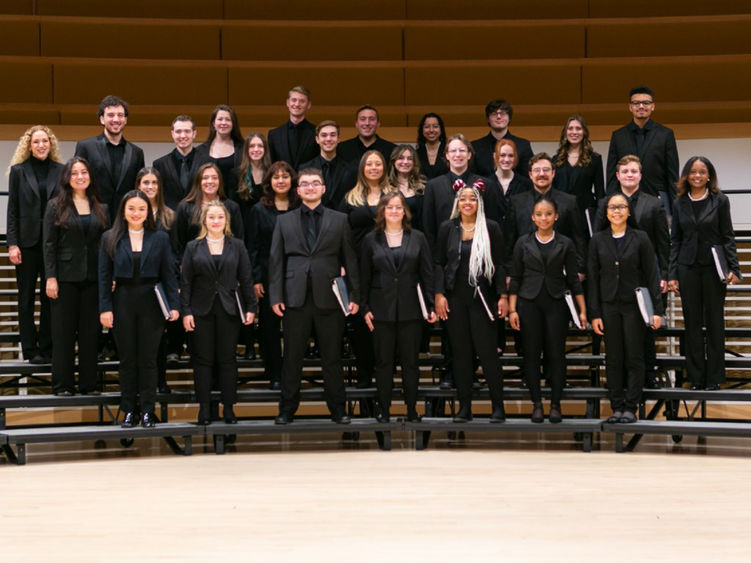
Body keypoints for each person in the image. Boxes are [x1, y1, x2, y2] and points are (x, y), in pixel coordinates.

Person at [269, 168, 360, 425]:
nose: (310, 187)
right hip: (294, 297)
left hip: (329, 297)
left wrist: (354, 295)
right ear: (297, 190)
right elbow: (276, 261)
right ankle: (287, 408)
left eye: (315, 183)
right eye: (305, 184)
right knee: (292, 358)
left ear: (323, 188)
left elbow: (349, 260)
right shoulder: (283, 221)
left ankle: (338, 409)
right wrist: (275, 295)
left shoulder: (340, 219)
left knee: (332, 357)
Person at [99, 190, 179, 428]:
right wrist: (105, 308)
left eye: (141, 209)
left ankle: (147, 410)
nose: (136, 213)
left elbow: (169, 275)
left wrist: (174, 306)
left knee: (148, 359)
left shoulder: (160, 238)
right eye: (131, 208)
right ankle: (128, 411)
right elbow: (103, 277)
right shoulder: (109, 238)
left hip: (151, 303)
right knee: (127, 360)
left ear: (148, 212)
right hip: (122, 301)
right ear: (123, 211)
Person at [594, 155, 669, 389]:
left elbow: (663, 242)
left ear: (640, 175)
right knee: (619, 337)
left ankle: (648, 373)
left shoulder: (654, 203)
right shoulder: (605, 204)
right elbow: (599, 240)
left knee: (646, 329)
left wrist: (664, 274)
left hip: (647, 275)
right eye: (625, 171)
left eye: (633, 171)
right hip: (616, 280)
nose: (629, 175)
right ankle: (624, 379)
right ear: (617, 175)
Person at [508, 197, 586, 423]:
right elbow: (515, 278)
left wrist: (582, 310)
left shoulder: (566, 243)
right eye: (539, 214)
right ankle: (537, 403)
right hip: (528, 303)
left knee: (556, 354)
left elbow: (573, 279)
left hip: (556, 303)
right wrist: (512, 310)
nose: (544, 218)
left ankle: (555, 403)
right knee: (531, 354)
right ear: (533, 217)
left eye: (548, 214)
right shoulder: (522, 242)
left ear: (556, 216)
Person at [434, 185, 508, 423]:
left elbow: (499, 265)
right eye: (463, 198)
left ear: (479, 203)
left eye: (472, 199)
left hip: (482, 298)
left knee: (488, 355)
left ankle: (498, 407)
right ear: (457, 202)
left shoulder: (491, 228)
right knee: (461, 355)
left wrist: (503, 296)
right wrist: (438, 294)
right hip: (455, 299)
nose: (467, 202)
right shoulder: (448, 228)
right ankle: (464, 407)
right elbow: (439, 264)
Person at [361, 192, 436, 422]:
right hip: (380, 310)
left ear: (405, 211)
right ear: (382, 211)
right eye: (389, 207)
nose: (394, 211)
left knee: (410, 364)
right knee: (383, 364)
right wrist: (364, 308)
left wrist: (431, 305)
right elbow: (363, 277)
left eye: (398, 207)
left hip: (411, 310)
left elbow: (427, 274)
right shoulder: (370, 240)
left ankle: (412, 411)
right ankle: (384, 411)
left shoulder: (418, 238)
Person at [589, 193, 663, 423]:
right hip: (608, 306)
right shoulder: (597, 240)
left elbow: (652, 275)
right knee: (613, 358)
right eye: (612, 207)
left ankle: (631, 406)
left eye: (622, 207)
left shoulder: (641, 238)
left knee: (634, 356)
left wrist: (657, 311)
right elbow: (592, 280)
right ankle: (616, 406)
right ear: (606, 212)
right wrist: (595, 314)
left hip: (634, 306)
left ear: (629, 212)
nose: (617, 211)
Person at [181, 201, 257, 424]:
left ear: (226, 221)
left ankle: (230, 408)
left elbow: (246, 278)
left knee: (227, 360)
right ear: (204, 220)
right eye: (212, 217)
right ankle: (203, 408)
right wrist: (186, 311)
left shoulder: (237, 246)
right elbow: (185, 282)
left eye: (220, 217)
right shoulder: (192, 247)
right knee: (202, 361)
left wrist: (251, 307)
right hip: (200, 310)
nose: (216, 221)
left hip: (229, 309)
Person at [668, 156, 740, 390]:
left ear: (709, 175)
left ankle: (715, 377)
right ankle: (696, 377)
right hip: (687, 268)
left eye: (702, 172)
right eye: (693, 172)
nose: (697, 176)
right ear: (686, 176)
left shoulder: (720, 200)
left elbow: (727, 235)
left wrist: (734, 268)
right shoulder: (679, 203)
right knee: (692, 324)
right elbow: (675, 240)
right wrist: (672, 274)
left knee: (715, 323)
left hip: (713, 269)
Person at [43, 157, 109, 395]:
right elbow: (48, 245)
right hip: (64, 278)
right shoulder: (55, 206)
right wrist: (51, 277)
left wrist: (107, 276)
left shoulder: (101, 206)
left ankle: (89, 385)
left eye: (84, 172)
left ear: (90, 176)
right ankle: (63, 384)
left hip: (92, 279)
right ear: (67, 178)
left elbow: (106, 245)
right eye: (74, 173)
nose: (80, 177)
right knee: (63, 334)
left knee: (90, 334)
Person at [6, 125, 63, 363]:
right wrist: (12, 244)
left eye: (45, 141)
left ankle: (47, 347)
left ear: (51, 145)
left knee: (50, 297)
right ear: (29, 145)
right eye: (36, 141)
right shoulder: (19, 171)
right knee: (26, 297)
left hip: (52, 244)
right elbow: (12, 210)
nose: (41, 145)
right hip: (26, 244)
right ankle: (30, 349)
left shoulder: (61, 171)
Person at [340, 150, 392, 387]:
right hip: (357, 268)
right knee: (360, 321)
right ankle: (364, 375)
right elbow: (340, 234)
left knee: (385, 322)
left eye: (378, 164)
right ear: (362, 167)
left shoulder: (393, 196)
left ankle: (385, 374)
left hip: (388, 266)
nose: (373, 167)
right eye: (369, 163)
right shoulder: (350, 198)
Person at [247, 161, 300, 390]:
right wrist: (256, 278)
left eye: (285, 177)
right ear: (268, 182)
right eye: (276, 177)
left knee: (294, 328)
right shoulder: (259, 210)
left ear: (292, 181)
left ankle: (291, 373)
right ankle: (274, 373)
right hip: (268, 276)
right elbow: (254, 247)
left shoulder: (300, 208)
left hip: (297, 275)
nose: (281, 181)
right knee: (269, 329)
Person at [504, 153, 587, 278]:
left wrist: (580, 269)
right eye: (537, 170)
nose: (541, 174)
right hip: (525, 273)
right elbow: (509, 240)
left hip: (560, 272)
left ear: (553, 174)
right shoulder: (517, 202)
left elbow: (579, 238)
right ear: (530, 175)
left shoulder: (569, 201)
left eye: (546, 170)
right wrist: (509, 273)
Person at [135, 167, 182, 387]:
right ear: (138, 186)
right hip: (137, 283)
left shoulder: (170, 215)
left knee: (159, 337)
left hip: (162, 283)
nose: (150, 187)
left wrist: (175, 283)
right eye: (146, 183)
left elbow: (175, 251)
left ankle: (160, 382)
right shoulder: (131, 213)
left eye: (154, 183)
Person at [606, 86, 679, 215]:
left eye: (646, 103)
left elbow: (672, 174)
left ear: (653, 106)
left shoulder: (665, 134)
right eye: (636, 103)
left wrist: (675, 208)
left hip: (658, 197)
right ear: (630, 107)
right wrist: (611, 203)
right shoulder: (618, 136)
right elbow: (612, 174)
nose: (641, 106)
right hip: (625, 199)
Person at [74, 95, 145, 220]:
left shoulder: (136, 152)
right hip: (94, 217)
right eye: (111, 115)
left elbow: (137, 189)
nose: (116, 119)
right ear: (102, 119)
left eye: (120, 115)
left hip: (125, 219)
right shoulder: (86, 147)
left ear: (126, 120)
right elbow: (76, 182)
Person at [234, 132, 271, 360]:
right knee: (245, 292)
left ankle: (264, 345)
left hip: (265, 239)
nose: (256, 149)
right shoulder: (236, 174)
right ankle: (248, 344)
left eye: (260, 146)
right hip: (243, 237)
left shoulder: (271, 174)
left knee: (263, 295)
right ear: (246, 149)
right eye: (252, 146)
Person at [173, 163, 244, 263]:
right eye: (205, 178)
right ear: (198, 181)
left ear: (220, 182)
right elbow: (178, 243)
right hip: (193, 266)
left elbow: (239, 240)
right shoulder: (184, 208)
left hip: (226, 265)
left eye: (214, 178)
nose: (210, 181)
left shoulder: (232, 207)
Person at [552, 114, 605, 230]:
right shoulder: (555, 160)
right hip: (561, 213)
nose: (574, 132)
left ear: (584, 132)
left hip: (585, 214)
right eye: (570, 128)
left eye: (578, 128)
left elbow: (600, 191)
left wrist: (599, 218)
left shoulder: (595, 159)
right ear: (565, 132)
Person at [152, 115, 211, 210]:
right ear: (172, 134)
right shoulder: (159, 164)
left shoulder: (207, 162)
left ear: (194, 133)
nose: (183, 136)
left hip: (199, 218)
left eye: (187, 131)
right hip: (170, 221)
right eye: (178, 131)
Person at [300, 120, 356, 209]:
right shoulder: (304, 169)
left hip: (342, 221)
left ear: (338, 139)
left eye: (333, 135)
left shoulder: (351, 170)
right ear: (317, 139)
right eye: (324, 135)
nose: (328, 139)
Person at [471, 99, 533, 178]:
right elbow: (472, 177)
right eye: (494, 113)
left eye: (503, 113)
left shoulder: (523, 145)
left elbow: (528, 177)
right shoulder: (475, 146)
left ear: (509, 118)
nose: (499, 117)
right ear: (488, 119)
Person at [483, 138, 532, 227]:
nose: (506, 159)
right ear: (495, 156)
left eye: (510, 156)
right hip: (492, 235)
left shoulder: (526, 185)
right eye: (502, 155)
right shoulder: (485, 184)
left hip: (518, 237)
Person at [267, 86, 318, 169]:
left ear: (308, 105)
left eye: (302, 101)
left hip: (308, 181)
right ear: (287, 103)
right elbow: (272, 166)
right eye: (294, 100)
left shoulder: (317, 132)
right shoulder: (274, 134)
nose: (297, 104)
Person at [202, 104, 244, 200]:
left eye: (228, 120)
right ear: (213, 123)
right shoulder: (201, 150)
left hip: (235, 202)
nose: (223, 123)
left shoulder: (243, 149)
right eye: (220, 119)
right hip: (207, 204)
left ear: (233, 124)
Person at [387, 144, 426, 232]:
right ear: (394, 161)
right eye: (401, 158)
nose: (405, 162)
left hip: (418, 236)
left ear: (414, 163)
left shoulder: (423, 187)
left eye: (409, 159)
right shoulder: (386, 188)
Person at [415, 112, 448, 180]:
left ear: (441, 129)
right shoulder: (416, 153)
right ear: (422, 130)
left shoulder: (449, 151)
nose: (431, 130)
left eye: (435, 126)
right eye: (427, 127)